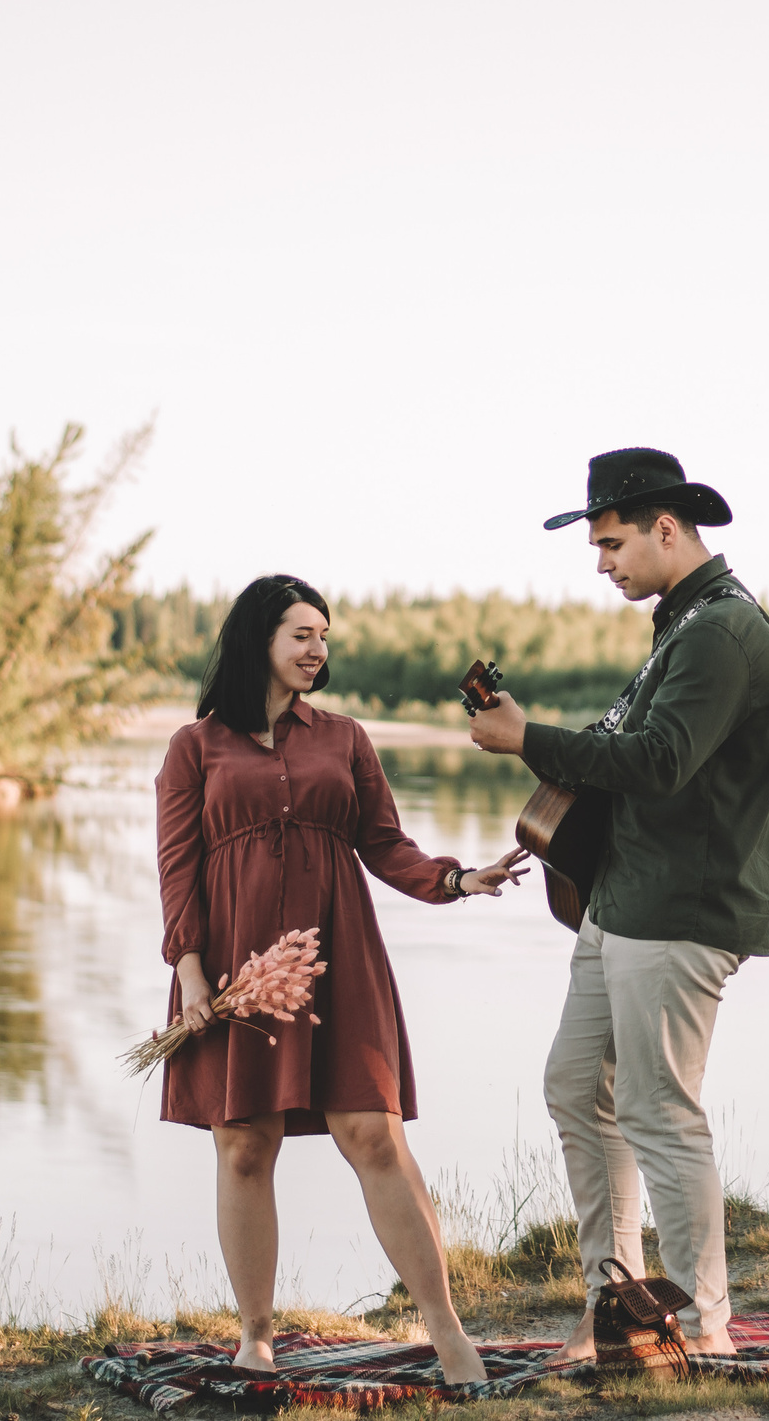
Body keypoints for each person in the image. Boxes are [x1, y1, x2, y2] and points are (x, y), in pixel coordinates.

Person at [155, 573, 526, 1385]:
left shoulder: (346, 738)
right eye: (301, 634)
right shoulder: (194, 747)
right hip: (236, 971)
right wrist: (190, 975)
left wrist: (456, 878)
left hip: (338, 960)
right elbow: (178, 870)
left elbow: (384, 843)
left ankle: (447, 1330)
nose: (317, 649)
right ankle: (257, 1332)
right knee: (245, 1144)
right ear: (261, 639)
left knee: (375, 1133)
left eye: (323, 635)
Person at [466, 448, 769, 1361]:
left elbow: (658, 763)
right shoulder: (682, 626)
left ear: (665, 527)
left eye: (611, 543)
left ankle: (704, 1328)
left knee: (659, 1109)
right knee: (578, 1086)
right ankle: (618, 1303)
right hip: (626, 900)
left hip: (681, 907)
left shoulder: (724, 633)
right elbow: (633, 755)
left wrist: (526, 735)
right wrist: (536, 740)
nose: (601, 562)